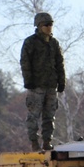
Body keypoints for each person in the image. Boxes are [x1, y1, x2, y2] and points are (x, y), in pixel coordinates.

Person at [20, 12, 66, 151]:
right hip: (36, 86)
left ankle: (47, 142)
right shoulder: (30, 42)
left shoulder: (54, 43)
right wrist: (28, 81)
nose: (49, 27)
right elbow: (25, 62)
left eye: (51, 24)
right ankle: (34, 142)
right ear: (39, 26)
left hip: (51, 86)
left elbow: (60, 63)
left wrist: (61, 81)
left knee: (49, 116)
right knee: (33, 116)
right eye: (46, 24)